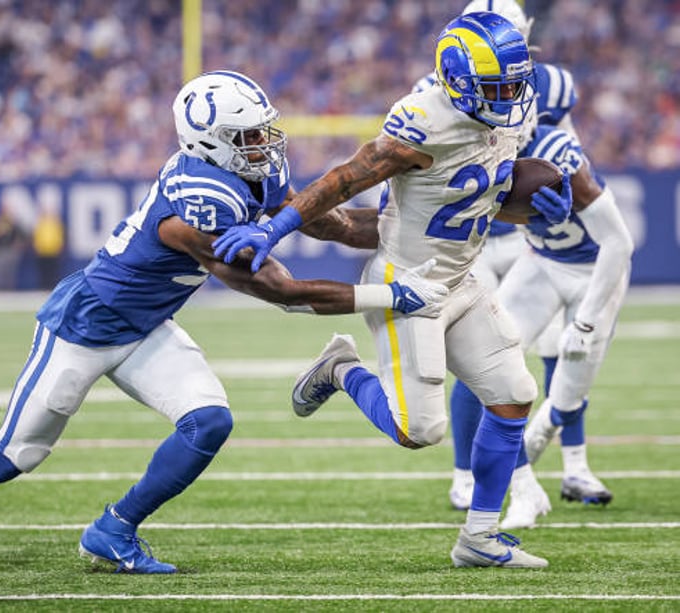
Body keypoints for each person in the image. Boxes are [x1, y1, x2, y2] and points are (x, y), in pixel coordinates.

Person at [0, 70, 445, 574]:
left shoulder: (250, 173)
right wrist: (388, 298)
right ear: (210, 142)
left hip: (146, 325)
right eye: (249, 135)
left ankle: (114, 529)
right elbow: (277, 290)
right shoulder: (200, 201)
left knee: (208, 422)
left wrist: (420, 229)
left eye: (264, 130)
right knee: (12, 455)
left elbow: (329, 224)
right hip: (86, 325)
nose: (266, 143)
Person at [213, 13, 574, 568]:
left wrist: (544, 207)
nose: (508, 99)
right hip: (406, 282)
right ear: (456, 80)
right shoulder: (424, 120)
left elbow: (487, 195)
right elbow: (345, 179)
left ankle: (479, 537)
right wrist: (272, 228)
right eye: (495, 88)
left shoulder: (509, 113)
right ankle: (340, 369)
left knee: (513, 395)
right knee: (419, 430)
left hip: (463, 277)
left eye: (513, 86)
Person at [412, 0, 588, 513]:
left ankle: (575, 465)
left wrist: (560, 196)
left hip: (523, 231)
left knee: (559, 344)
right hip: (469, 238)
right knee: (480, 355)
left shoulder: (551, 86)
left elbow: (564, 157)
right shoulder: (431, 95)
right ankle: (466, 473)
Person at [494, 112, 634, 529]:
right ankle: (523, 489)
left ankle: (547, 428)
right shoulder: (473, 146)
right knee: (490, 359)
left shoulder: (556, 153)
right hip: (540, 261)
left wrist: (587, 322)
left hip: (594, 271)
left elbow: (618, 243)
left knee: (568, 395)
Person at [0, 193, 28, 290]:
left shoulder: (13, 222)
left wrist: (19, 245)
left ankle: (8, 290)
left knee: (9, 272)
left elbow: (23, 234)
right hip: (0, 250)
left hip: (10, 250)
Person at [32, 198, 65, 290]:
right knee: (44, 271)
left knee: (52, 271)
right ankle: (43, 286)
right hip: (42, 250)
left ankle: (51, 287)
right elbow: (37, 235)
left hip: (53, 250)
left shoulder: (55, 222)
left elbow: (59, 235)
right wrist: (37, 247)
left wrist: (59, 246)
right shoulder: (41, 222)